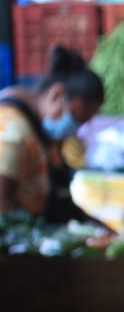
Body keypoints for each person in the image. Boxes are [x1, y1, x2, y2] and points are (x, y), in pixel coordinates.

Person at [0, 45, 104, 221]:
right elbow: (2, 204)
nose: (75, 129)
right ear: (57, 95)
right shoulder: (12, 132)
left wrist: (97, 227)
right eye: (75, 118)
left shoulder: (42, 135)